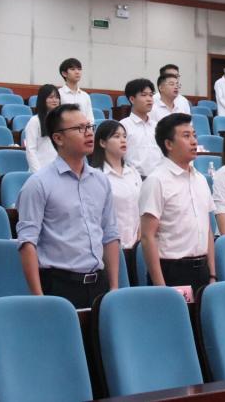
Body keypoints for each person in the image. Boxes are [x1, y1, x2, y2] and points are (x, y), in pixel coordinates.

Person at [16, 104, 119, 308]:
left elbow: (110, 235)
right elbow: (27, 243)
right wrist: (38, 298)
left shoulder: (101, 181)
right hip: (59, 286)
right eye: (80, 128)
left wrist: (114, 287)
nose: (88, 133)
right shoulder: (38, 184)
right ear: (58, 138)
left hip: (99, 284)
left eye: (89, 127)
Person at [139, 113, 216, 292]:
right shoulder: (156, 181)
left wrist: (213, 275)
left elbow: (207, 230)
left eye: (194, 135)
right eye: (186, 136)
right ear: (169, 144)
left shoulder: (201, 179)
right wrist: (161, 287)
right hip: (172, 271)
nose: (194, 141)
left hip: (202, 270)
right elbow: (148, 236)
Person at [90, 120, 142, 280]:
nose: (123, 140)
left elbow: (142, 207)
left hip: (137, 247)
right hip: (110, 249)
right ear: (102, 142)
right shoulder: (96, 176)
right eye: (117, 136)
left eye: (124, 136)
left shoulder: (133, 172)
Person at [119, 78, 163, 177]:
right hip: (133, 178)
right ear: (132, 99)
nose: (149, 99)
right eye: (144, 95)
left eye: (151, 95)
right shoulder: (123, 126)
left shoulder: (157, 126)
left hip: (158, 178)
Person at [24, 84, 60, 172]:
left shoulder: (62, 121)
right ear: (43, 99)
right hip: (40, 170)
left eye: (57, 97)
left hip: (58, 170)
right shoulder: (35, 121)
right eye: (51, 97)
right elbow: (30, 150)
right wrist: (38, 173)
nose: (55, 100)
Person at [57, 57, 92, 122]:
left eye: (79, 69)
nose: (77, 72)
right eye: (73, 69)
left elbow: (90, 119)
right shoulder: (58, 94)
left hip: (83, 127)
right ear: (64, 73)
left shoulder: (85, 96)